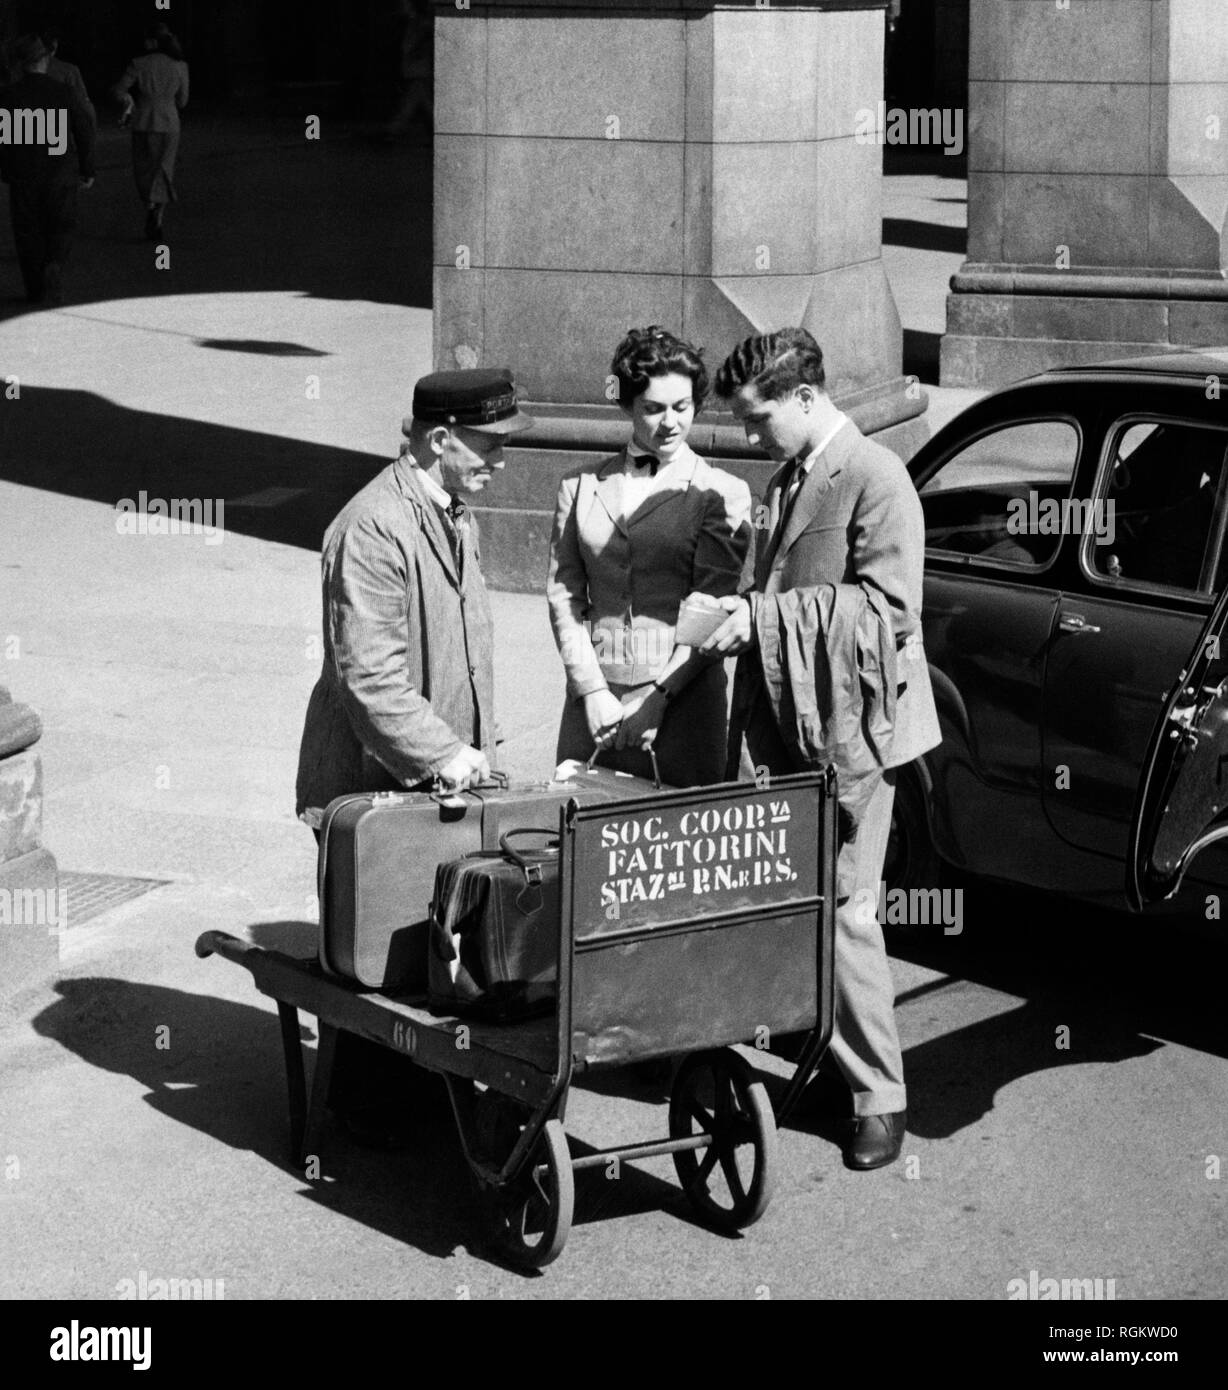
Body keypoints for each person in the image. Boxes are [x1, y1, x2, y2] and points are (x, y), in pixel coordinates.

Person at [705, 328, 941, 1171]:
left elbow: (886, 617)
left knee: (844, 914)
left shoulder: (878, 479)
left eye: (757, 417)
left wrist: (763, 620)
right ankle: (826, 1064)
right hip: (794, 724)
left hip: (856, 739)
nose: (749, 435)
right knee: (792, 904)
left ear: (806, 399)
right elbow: (771, 585)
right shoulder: (784, 479)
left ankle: (882, 1098)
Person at [296, 367, 533, 826]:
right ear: (441, 439)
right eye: (489, 445)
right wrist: (441, 753)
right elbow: (368, 674)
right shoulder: (373, 527)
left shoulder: (455, 512)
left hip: (443, 782)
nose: (501, 460)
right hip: (371, 796)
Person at [546, 326, 752, 787]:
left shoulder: (722, 492)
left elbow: (709, 609)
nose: (670, 423)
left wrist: (657, 699)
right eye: (653, 409)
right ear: (626, 406)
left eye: (683, 408)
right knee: (585, 841)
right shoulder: (578, 486)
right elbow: (564, 598)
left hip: (682, 706)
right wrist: (593, 690)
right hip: (592, 707)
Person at [0, 34, 96, 305]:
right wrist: (87, 168)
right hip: (60, 172)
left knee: (27, 232)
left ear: (21, 63)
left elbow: (3, 138)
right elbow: (84, 129)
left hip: (23, 173)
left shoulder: (8, 96)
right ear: (44, 60)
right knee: (61, 226)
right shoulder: (62, 92)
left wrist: (6, 167)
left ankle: (34, 288)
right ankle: (54, 263)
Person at [110, 22, 188, 242]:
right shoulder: (180, 66)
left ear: (153, 41)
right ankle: (158, 214)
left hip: (144, 121)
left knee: (143, 169)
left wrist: (129, 101)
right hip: (169, 123)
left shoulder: (139, 63)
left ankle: (149, 204)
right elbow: (182, 101)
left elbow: (119, 90)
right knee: (164, 170)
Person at [40, 28, 97, 129]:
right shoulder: (68, 70)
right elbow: (84, 105)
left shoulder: (20, 71)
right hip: (59, 129)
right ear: (55, 45)